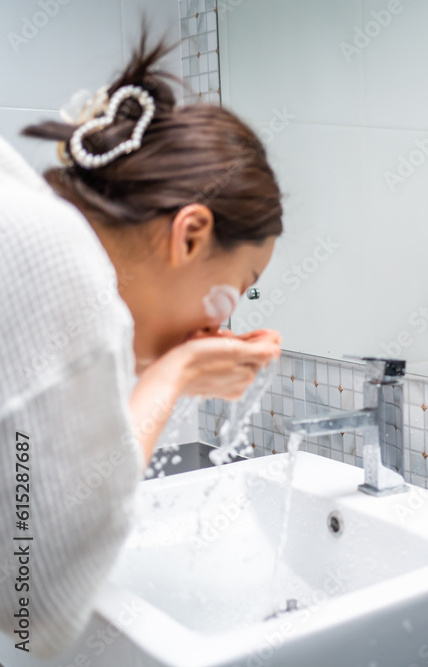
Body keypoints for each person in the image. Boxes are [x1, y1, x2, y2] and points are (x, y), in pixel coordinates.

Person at [0, 36, 284, 656]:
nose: (223, 317)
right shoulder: (66, 267)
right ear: (190, 235)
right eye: (239, 287)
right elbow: (32, 602)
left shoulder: (27, 217)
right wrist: (172, 374)